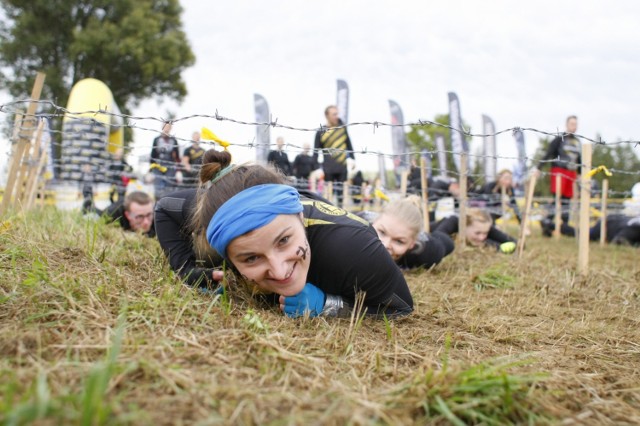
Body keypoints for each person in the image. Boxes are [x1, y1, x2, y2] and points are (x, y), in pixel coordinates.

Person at [154, 149, 413, 319]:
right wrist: (185, 268)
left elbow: (401, 307)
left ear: (300, 217)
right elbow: (164, 208)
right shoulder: (213, 208)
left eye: (284, 240)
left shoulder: (353, 251)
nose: (279, 272)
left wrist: (328, 304)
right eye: (250, 258)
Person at [357, 196, 454, 270]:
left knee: (446, 225)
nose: (385, 245)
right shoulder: (355, 226)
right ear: (373, 224)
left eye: (399, 241)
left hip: (427, 238)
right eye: (382, 232)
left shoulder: (426, 253)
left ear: (412, 244)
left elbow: (449, 243)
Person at [535, 115, 582, 228]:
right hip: (559, 171)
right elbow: (549, 153)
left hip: (571, 173)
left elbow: (579, 159)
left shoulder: (577, 142)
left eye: (575, 124)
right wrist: (539, 168)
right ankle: (547, 220)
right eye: (571, 124)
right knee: (557, 197)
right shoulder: (559, 139)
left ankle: (564, 224)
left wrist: (580, 173)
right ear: (566, 125)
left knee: (567, 199)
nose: (573, 126)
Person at [432, 208, 517, 253]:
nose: (481, 237)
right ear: (464, 226)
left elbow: (514, 242)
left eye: (485, 233)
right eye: (477, 233)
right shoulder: (453, 222)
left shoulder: (484, 226)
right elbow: (437, 240)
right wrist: (492, 245)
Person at [313, 105, 355, 186]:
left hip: (343, 167)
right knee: (328, 195)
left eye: (337, 114)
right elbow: (315, 152)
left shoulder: (342, 128)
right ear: (326, 115)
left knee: (342, 195)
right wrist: (317, 168)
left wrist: (353, 159)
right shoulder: (321, 132)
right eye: (334, 114)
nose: (336, 117)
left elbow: (349, 144)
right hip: (328, 169)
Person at [541, 213, 640, 246]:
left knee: (582, 233)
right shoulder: (635, 229)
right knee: (583, 234)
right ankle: (551, 225)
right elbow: (619, 240)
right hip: (606, 227)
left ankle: (550, 225)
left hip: (612, 220)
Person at [150, 122, 181, 197]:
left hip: (170, 166)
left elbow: (177, 156)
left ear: (171, 128)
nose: (166, 129)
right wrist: (150, 170)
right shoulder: (156, 140)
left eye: (168, 127)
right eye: (165, 127)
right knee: (157, 187)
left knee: (169, 186)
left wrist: (178, 170)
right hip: (157, 166)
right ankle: (157, 202)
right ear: (162, 127)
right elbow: (153, 155)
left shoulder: (174, 140)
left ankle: (167, 202)